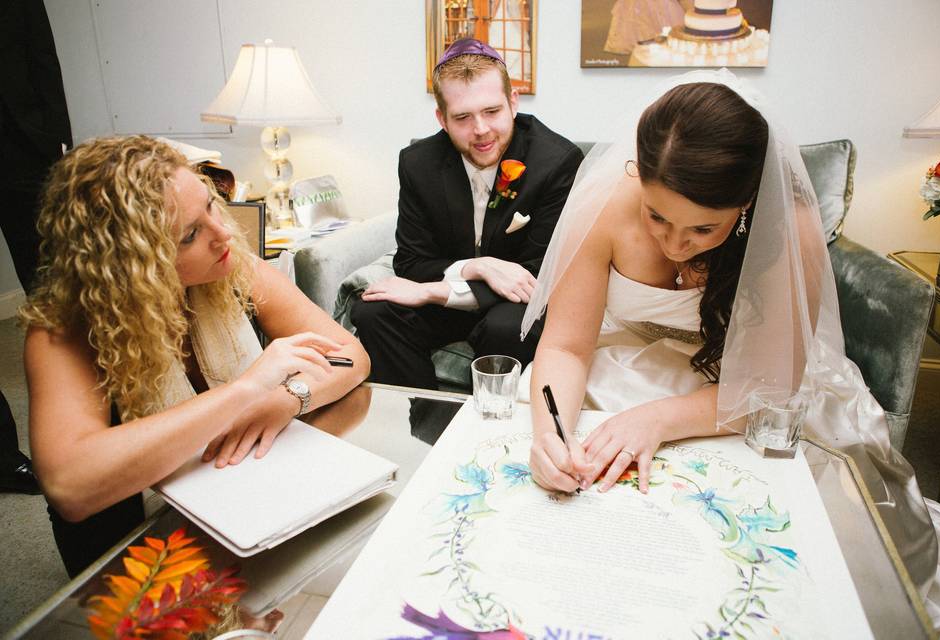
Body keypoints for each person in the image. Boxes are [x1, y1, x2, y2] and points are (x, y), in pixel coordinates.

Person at [522, 69, 940, 631]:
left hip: (748, 387)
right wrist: (548, 434)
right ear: (637, 172)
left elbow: (774, 388)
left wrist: (657, 420)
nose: (674, 244)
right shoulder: (602, 206)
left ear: (748, 202)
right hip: (623, 364)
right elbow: (565, 345)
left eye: (704, 229)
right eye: (657, 216)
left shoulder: (790, 227)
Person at [19, 136, 370, 576]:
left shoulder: (230, 264)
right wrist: (244, 393)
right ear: (131, 264)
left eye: (211, 205)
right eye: (190, 234)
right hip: (138, 549)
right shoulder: (62, 330)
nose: (224, 232)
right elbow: (70, 486)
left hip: (243, 497)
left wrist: (286, 398)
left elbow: (351, 356)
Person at [351, 38, 583, 390]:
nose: (481, 130)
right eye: (462, 117)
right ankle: (424, 422)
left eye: (492, 111)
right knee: (374, 313)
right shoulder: (417, 164)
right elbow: (411, 261)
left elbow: (538, 277)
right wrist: (476, 266)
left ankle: (493, 430)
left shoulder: (557, 162)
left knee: (506, 328)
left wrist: (432, 293)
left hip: (514, 302)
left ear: (513, 102)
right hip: (452, 291)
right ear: (442, 119)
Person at [0, 0, 73, 495]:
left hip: (21, 150)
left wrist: (56, 140)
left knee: (56, 297)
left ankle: (82, 434)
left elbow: (41, 56)